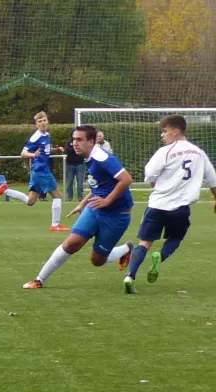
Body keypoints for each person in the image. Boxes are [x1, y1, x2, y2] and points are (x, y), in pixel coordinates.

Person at [22, 124, 134, 289]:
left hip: (117, 215)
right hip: (95, 208)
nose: (75, 143)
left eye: (79, 140)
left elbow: (126, 179)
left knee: (97, 261)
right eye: (74, 139)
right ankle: (39, 280)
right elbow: (100, 186)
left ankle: (126, 248)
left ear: (91, 141)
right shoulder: (88, 158)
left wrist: (107, 201)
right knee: (71, 243)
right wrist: (82, 204)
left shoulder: (103, 158)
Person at [123, 115, 216, 294]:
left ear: (176, 131)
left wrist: (156, 180)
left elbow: (149, 174)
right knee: (176, 237)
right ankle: (162, 255)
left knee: (144, 242)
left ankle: (130, 276)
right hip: (181, 208)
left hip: (157, 205)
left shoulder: (164, 151)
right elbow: (213, 181)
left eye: (165, 131)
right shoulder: (199, 153)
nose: (162, 136)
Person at [0, 111, 69, 231]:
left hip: (38, 171)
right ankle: (55, 225)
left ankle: (5, 190)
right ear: (36, 124)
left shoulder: (46, 135)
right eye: (39, 121)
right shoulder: (35, 137)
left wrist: (56, 149)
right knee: (57, 196)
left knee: (30, 201)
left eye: (44, 120)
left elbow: (45, 150)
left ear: (47, 121)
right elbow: (23, 153)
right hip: (41, 169)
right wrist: (33, 155)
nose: (42, 123)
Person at [65, 129, 85, 202]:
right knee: (70, 181)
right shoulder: (69, 142)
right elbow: (67, 150)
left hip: (80, 164)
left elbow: (82, 150)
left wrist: (74, 149)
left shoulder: (81, 142)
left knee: (80, 181)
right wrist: (74, 148)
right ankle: (70, 196)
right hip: (70, 164)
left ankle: (80, 197)